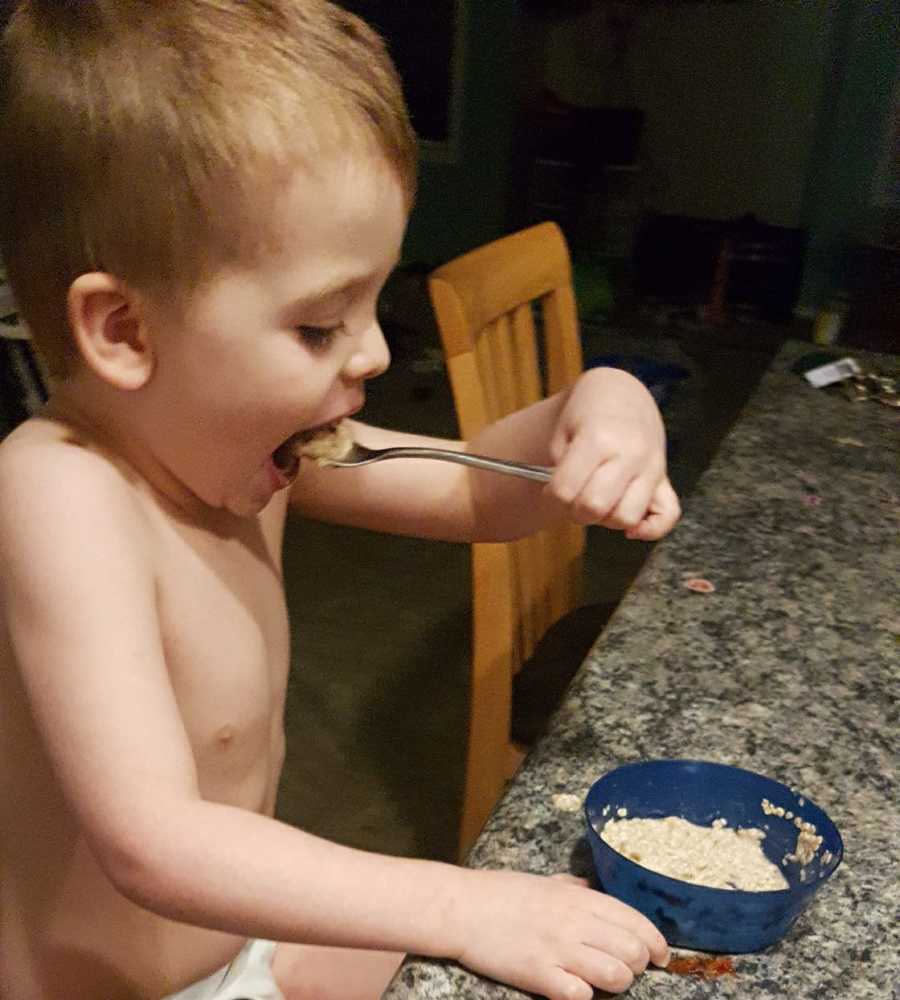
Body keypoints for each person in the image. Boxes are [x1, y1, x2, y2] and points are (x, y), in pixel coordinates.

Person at [0, 2, 680, 999]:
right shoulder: (57, 492)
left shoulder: (252, 440)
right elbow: (155, 841)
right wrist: (461, 900)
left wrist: (601, 405)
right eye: (320, 325)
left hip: (239, 947)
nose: (371, 353)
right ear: (125, 329)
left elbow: (480, 490)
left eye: (370, 304)